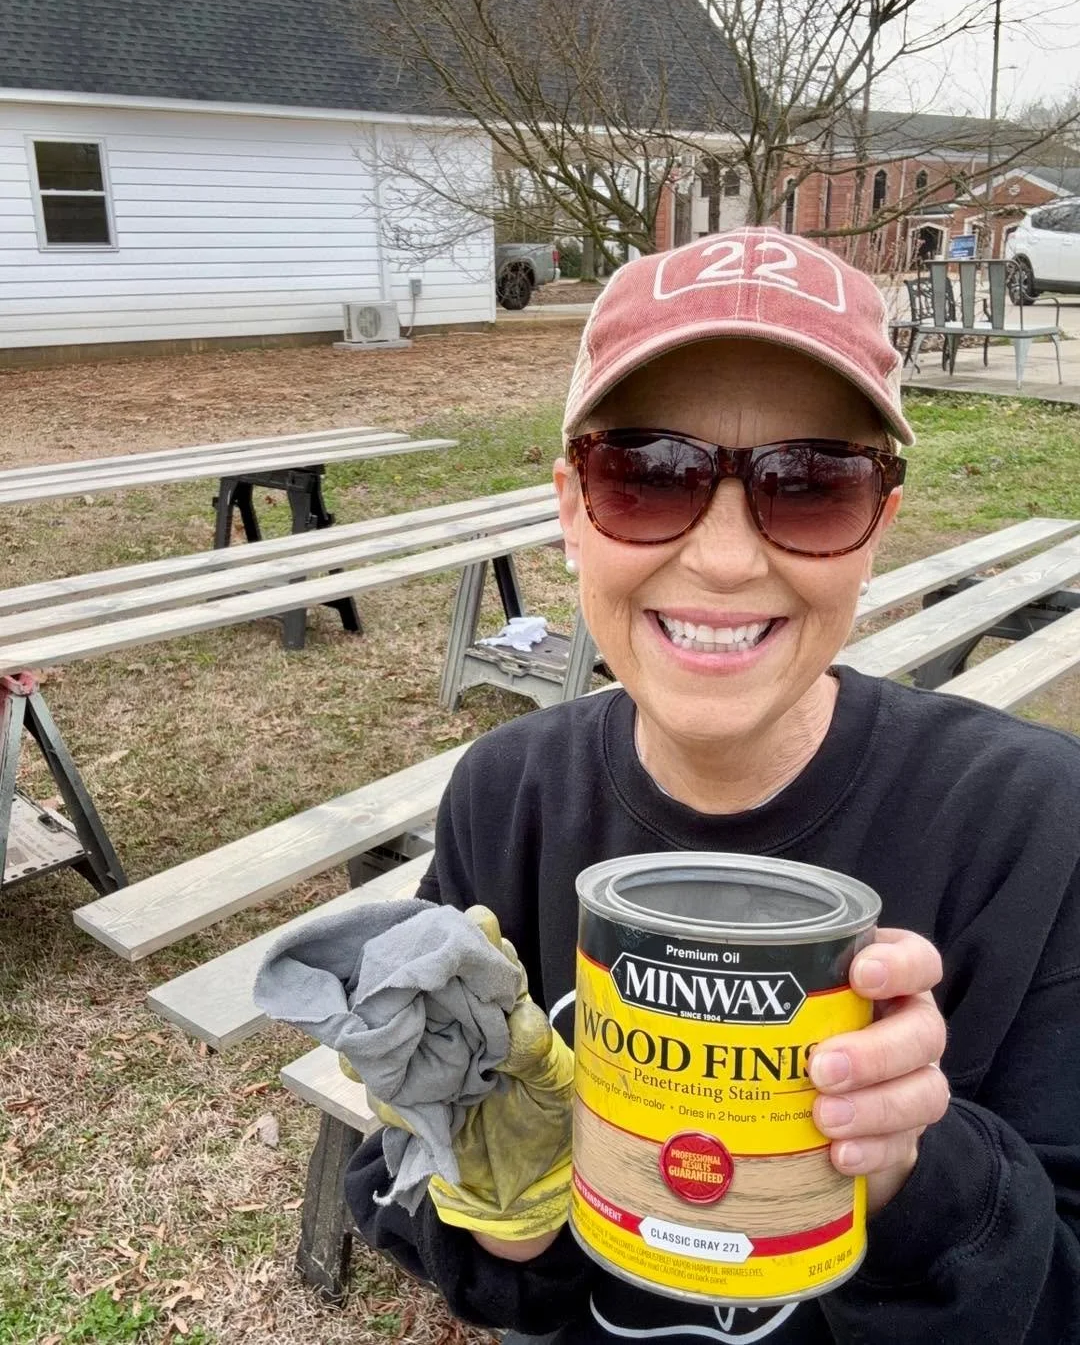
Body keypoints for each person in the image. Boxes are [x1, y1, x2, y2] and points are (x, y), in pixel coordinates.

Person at [345, 229, 1080, 1343]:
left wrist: (912, 1171)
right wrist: (507, 1187)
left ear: (876, 527)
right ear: (569, 508)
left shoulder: (1031, 825)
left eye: (812, 484)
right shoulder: (509, 796)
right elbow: (438, 1222)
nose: (728, 558)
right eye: (646, 473)